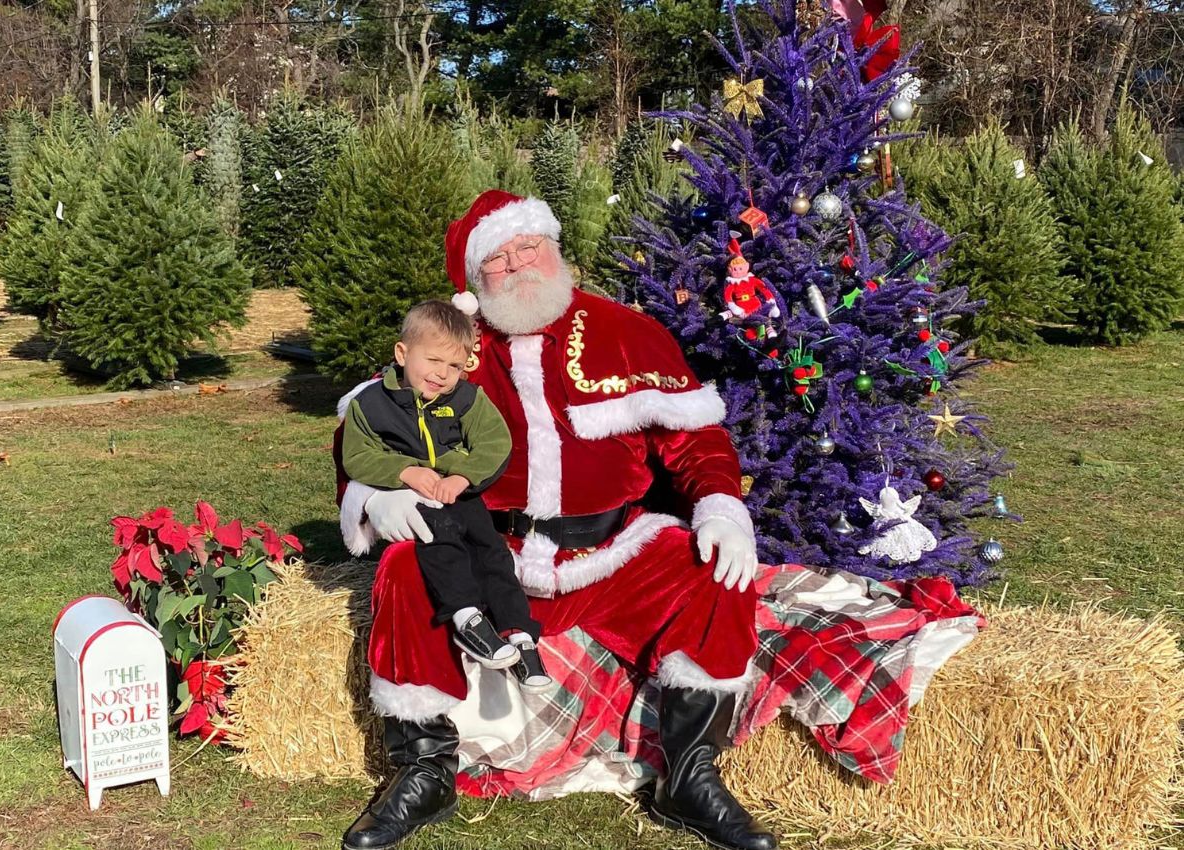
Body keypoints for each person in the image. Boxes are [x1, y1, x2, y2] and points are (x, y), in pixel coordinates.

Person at [336, 190, 979, 850]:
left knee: (714, 573)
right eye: (498, 259)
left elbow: (696, 442)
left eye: (528, 246)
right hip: (492, 554)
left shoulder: (627, 334)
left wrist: (720, 507)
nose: (518, 265)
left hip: (614, 552)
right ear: (476, 280)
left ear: (554, 250)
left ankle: (688, 774)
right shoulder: (453, 350)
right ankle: (424, 769)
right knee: (406, 566)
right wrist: (373, 491)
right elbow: (370, 423)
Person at [340, 300, 552, 693]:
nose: (443, 374)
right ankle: (467, 619)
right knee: (442, 544)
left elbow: (495, 442)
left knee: (493, 554)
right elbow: (356, 456)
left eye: (455, 366)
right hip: (416, 499)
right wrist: (404, 471)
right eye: (434, 360)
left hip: (459, 493)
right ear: (402, 354)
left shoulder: (468, 400)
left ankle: (521, 636)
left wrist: (463, 476)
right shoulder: (370, 406)